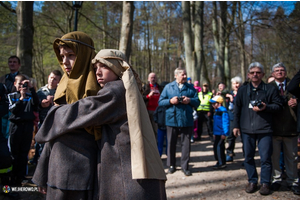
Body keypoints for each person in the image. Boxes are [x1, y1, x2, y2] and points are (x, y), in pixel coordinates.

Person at [34, 49, 167, 199]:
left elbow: (86, 110)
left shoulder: (115, 89)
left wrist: (56, 112)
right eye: (95, 68)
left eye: (104, 66)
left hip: (125, 170)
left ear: (118, 67)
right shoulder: (128, 87)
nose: (97, 72)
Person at [32, 31, 100, 199]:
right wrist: (42, 172)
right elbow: (51, 135)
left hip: (86, 174)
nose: (64, 62)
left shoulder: (101, 88)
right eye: (62, 56)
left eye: (71, 55)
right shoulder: (62, 85)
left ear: (85, 56)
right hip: (56, 171)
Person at [233, 62, 282, 195]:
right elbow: (236, 109)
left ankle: (265, 183)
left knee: (265, 157)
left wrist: (266, 107)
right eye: (253, 72)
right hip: (246, 130)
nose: (255, 75)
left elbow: (278, 106)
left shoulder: (270, 89)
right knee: (248, 157)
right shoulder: (243, 90)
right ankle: (252, 181)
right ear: (248, 75)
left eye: (258, 72)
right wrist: (235, 126)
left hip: (265, 129)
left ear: (263, 74)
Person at [158, 67, 200, 176]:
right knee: (171, 143)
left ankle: (185, 166)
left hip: (186, 119)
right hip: (172, 119)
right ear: (176, 75)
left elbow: (197, 102)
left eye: (185, 74)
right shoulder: (168, 87)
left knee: (186, 144)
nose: (185, 76)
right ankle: (171, 165)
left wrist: (190, 100)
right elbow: (161, 102)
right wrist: (170, 101)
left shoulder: (190, 88)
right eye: (183, 74)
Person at [268, 63, 300, 195]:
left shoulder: (294, 86)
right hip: (274, 128)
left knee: (292, 158)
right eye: (277, 70)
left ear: (286, 73)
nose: (280, 72)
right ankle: (276, 180)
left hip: (291, 127)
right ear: (273, 74)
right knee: (275, 157)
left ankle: (293, 182)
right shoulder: (268, 87)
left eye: (282, 70)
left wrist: (297, 101)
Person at [7, 74, 39, 186]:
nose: (22, 86)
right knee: (14, 152)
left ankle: (21, 177)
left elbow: (36, 104)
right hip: (16, 126)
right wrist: (20, 99)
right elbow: (13, 110)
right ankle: (12, 176)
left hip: (27, 126)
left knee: (24, 152)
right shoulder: (11, 96)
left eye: (24, 83)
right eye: (20, 83)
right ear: (15, 84)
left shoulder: (30, 95)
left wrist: (31, 89)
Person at [30, 70, 62, 165]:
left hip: (55, 122)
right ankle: (39, 162)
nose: (52, 80)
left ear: (59, 81)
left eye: (55, 79)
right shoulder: (40, 91)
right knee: (40, 143)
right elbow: (34, 107)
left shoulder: (60, 92)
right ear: (48, 77)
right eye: (51, 78)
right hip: (42, 121)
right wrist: (41, 104)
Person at [0, 56, 21, 140]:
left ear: (19, 65)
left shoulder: (22, 78)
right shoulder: (3, 79)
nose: (12, 64)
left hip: (17, 110)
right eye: (10, 62)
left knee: (12, 135)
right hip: (3, 110)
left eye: (14, 62)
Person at [209, 95, 229, 169]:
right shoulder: (216, 111)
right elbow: (215, 124)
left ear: (219, 103)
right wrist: (214, 133)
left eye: (214, 103)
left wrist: (224, 133)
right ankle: (219, 161)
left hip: (221, 133)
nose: (212, 105)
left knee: (219, 148)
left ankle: (222, 163)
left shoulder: (223, 111)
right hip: (217, 133)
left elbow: (225, 123)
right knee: (216, 147)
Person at [225, 76, 242, 162]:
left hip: (242, 117)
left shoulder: (243, 93)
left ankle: (246, 156)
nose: (236, 85)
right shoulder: (228, 94)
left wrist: (233, 99)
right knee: (231, 137)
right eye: (234, 83)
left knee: (244, 138)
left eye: (237, 83)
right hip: (231, 117)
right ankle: (229, 153)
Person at [143, 72, 161, 137]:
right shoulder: (145, 87)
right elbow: (141, 97)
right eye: (151, 77)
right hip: (148, 110)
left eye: (154, 77)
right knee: (148, 129)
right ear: (148, 79)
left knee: (156, 129)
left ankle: (157, 144)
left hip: (158, 111)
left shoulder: (160, 87)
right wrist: (148, 96)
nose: (153, 79)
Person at [154, 81, 169, 157]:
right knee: (160, 142)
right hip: (160, 126)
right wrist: (157, 121)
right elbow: (155, 114)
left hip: (168, 126)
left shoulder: (170, 104)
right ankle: (159, 155)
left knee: (169, 142)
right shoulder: (159, 105)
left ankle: (168, 154)